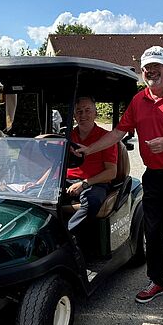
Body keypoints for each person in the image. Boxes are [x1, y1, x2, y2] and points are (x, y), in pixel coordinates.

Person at [77, 47, 163, 306]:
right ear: (142, 70)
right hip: (155, 176)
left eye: (157, 66)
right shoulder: (139, 100)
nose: (152, 71)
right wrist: (89, 150)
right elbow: (118, 133)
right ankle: (157, 280)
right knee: (153, 230)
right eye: (147, 67)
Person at [65, 97, 118, 242]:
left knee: (91, 201)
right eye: (79, 111)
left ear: (96, 114)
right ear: (74, 116)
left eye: (87, 110)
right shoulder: (69, 136)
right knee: (39, 196)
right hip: (68, 180)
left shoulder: (105, 138)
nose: (83, 115)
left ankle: (67, 238)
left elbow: (111, 172)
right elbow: (56, 165)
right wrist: (38, 183)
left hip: (95, 182)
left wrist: (84, 184)